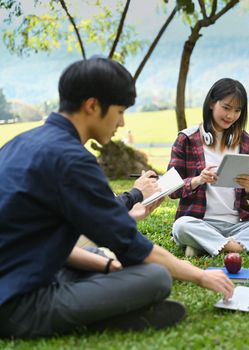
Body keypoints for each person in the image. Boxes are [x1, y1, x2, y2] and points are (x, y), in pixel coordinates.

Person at [0, 58, 234, 339]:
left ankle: (106, 308)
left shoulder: (18, 144)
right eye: (119, 111)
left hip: (28, 273)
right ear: (92, 106)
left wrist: (108, 264)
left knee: (98, 256)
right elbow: (131, 245)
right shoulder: (72, 159)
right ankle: (107, 317)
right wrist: (201, 276)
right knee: (156, 277)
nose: (121, 123)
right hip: (21, 307)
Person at [168, 78, 249, 257]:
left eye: (237, 111)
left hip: (239, 224)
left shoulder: (245, 142)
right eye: (226, 108)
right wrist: (198, 180)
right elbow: (172, 190)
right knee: (181, 226)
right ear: (211, 103)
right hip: (200, 221)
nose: (231, 116)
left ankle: (209, 245)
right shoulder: (186, 139)